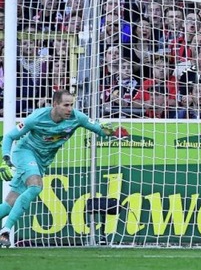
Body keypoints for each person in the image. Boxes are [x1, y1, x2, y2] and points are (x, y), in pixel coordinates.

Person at [0, 90, 116, 247]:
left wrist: (107, 130)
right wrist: (6, 158)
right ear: (55, 105)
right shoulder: (37, 117)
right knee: (36, 186)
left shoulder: (77, 117)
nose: (70, 109)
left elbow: (100, 131)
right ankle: (5, 231)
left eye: (71, 105)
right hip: (25, 152)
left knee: (10, 204)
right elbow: (9, 136)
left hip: (42, 161)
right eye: (66, 105)